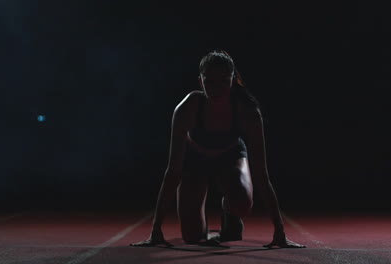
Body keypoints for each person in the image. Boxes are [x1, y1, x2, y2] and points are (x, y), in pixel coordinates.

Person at [130, 50, 305, 248]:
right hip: (195, 160)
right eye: (209, 81)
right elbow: (173, 171)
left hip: (230, 156)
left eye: (223, 80)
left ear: (233, 80)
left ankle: (230, 214)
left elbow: (261, 174)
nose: (216, 87)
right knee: (193, 237)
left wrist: (280, 233)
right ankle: (203, 227)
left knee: (242, 202)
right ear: (200, 81)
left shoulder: (247, 111)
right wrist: (156, 231)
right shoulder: (187, 108)